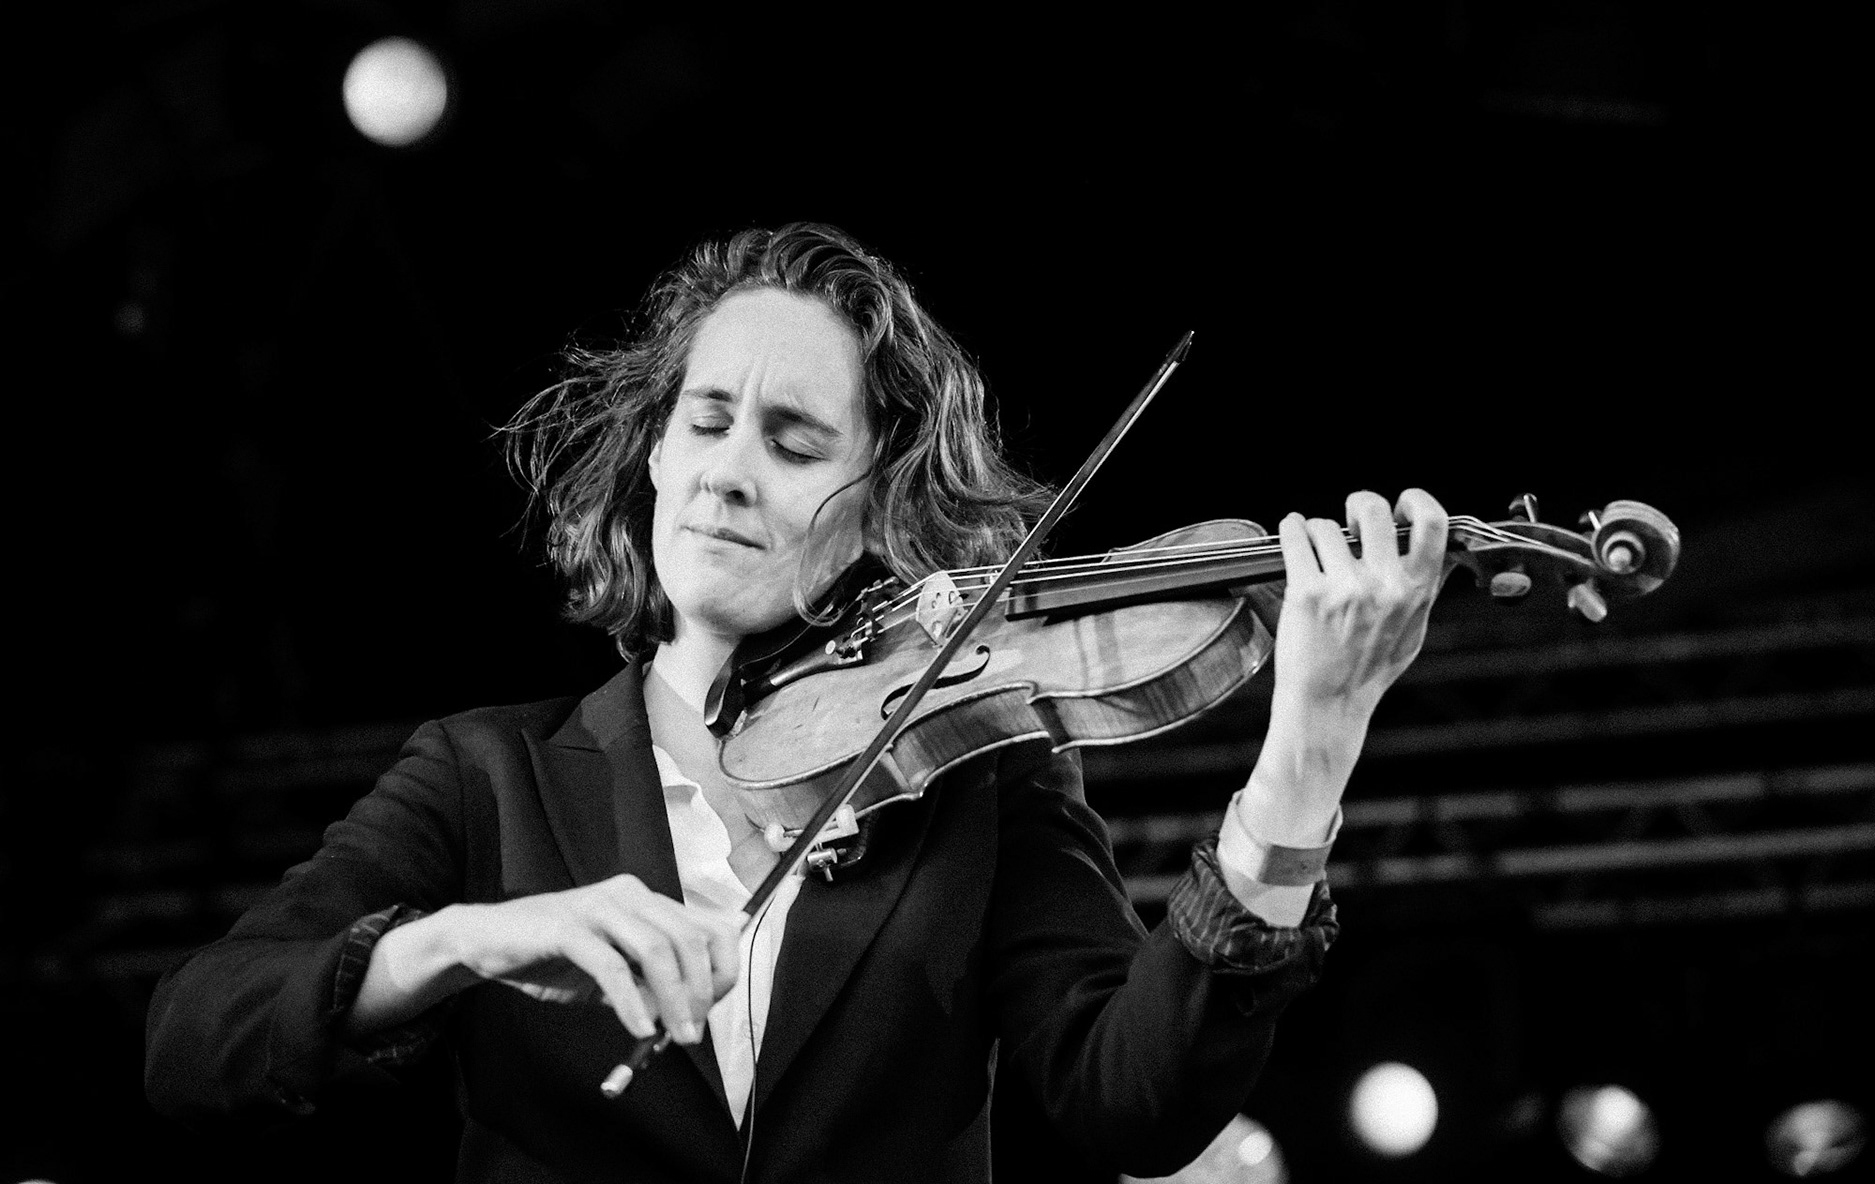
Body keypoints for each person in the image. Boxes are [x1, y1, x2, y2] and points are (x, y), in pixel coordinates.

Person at [145, 222, 1452, 1183]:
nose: (727, 472)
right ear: (654, 454)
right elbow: (195, 1043)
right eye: (706, 422)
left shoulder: (975, 781)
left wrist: (1309, 751)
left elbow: (1134, 1099)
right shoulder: (487, 777)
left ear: (873, 509)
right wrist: (466, 941)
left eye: (793, 442)